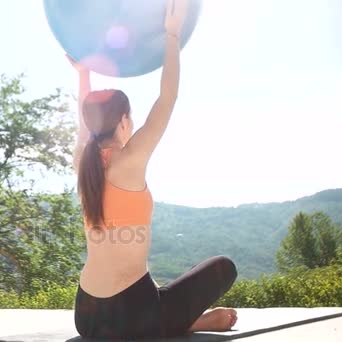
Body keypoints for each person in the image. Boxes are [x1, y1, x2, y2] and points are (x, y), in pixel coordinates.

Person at [69, 0, 239, 339]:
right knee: (224, 267)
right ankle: (190, 321)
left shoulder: (82, 161)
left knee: (152, 287)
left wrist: (83, 75)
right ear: (123, 121)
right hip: (130, 317)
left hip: (86, 316)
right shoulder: (130, 160)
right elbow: (167, 98)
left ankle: (173, 317)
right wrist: (172, 36)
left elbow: (84, 123)